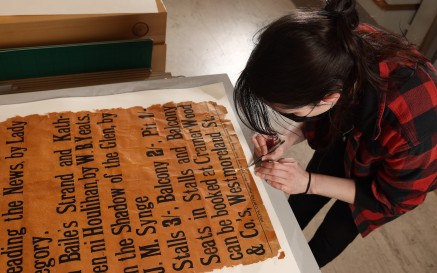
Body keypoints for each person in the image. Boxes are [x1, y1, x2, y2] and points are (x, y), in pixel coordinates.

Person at [233, 0, 437, 268]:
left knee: (332, 234)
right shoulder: (338, 42)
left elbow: (390, 199)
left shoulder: (414, 127)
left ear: (329, 97)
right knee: (299, 207)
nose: (291, 119)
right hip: (349, 134)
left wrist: (307, 182)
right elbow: (326, 110)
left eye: (292, 112)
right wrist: (288, 139)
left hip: (393, 175)